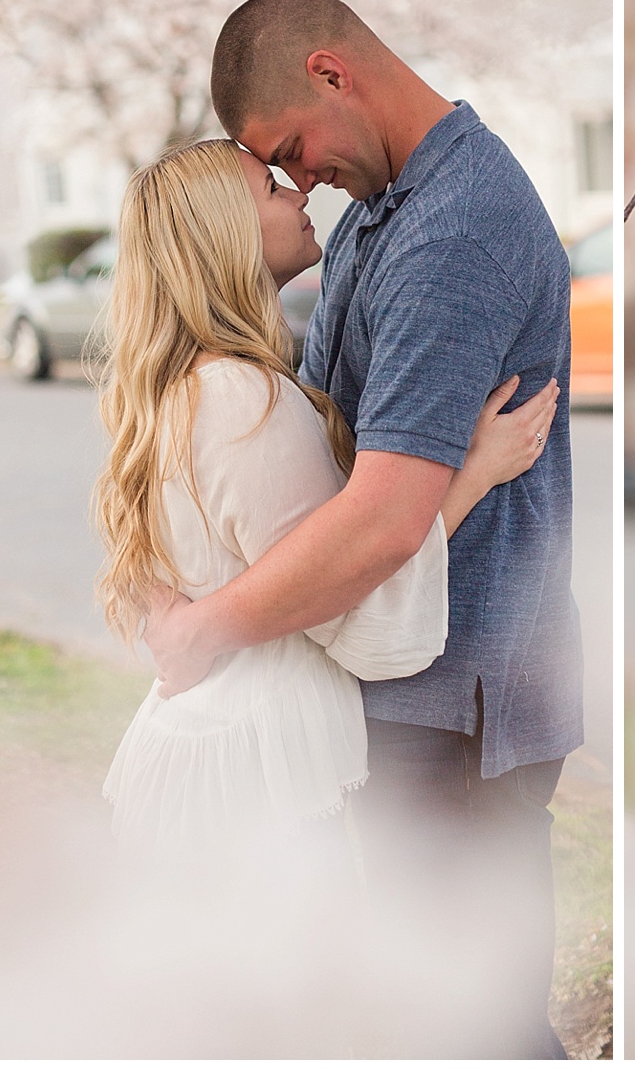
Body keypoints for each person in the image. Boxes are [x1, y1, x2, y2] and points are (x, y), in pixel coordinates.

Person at [142, 0, 581, 1058]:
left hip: (456, 704)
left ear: (334, 74)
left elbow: (382, 520)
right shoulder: (386, 207)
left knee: (475, 1028)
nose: (299, 180)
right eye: (273, 172)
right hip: (399, 692)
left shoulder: (456, 227)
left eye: (291, 148)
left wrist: (205, 629)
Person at [94, 140, 554, 866]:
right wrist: (471, 474)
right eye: (272, 190)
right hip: (259, 767)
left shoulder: (181, 389)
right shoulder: (242, 398)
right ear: (227, 235)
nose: (301, 194)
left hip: (213, 745)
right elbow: (353, 611)